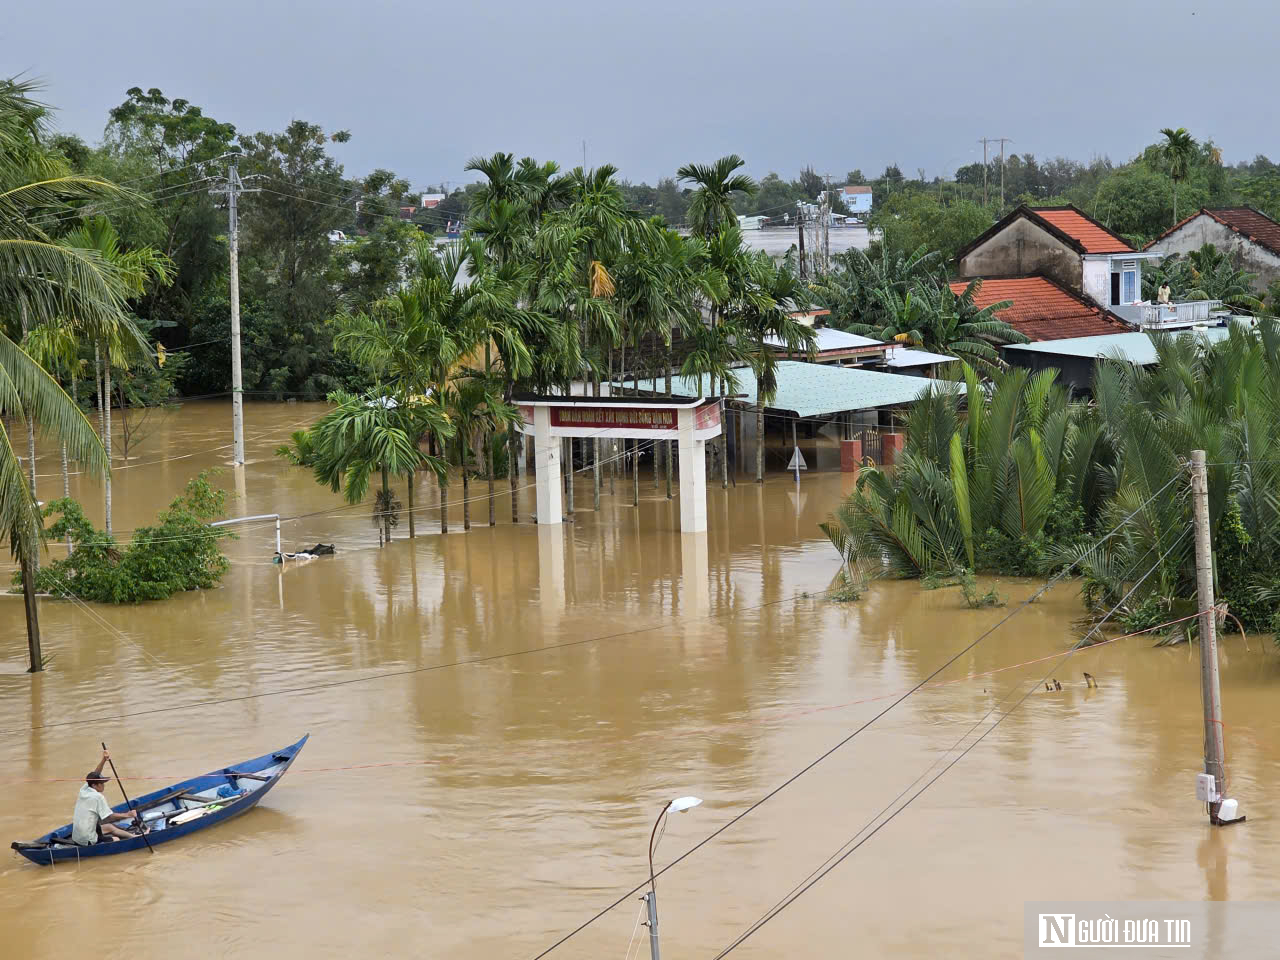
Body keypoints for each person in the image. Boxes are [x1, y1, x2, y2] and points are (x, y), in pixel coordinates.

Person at [72, 749, 142, 845]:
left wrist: (104, 760)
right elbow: (109, 816)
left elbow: (94, 774)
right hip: (87, 839)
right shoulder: (97, 796)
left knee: (109, 827)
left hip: (77, 836)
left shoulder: (84, 789)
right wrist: (127, 815)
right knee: (116, 839)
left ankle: (134, 837)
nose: (104, 785)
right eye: (101, 783)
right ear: (94, 785)